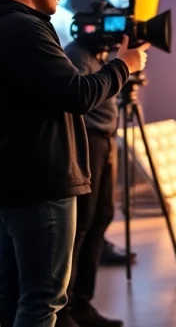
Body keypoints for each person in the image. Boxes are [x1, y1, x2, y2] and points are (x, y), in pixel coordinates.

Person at [0, 0, 148, 327]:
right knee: (44, 299)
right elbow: (78, 94)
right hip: (39, 186)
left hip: (3, 182)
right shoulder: (23, 29)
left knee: (11, 290)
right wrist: (124, 65)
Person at [57, 33, 127, 327]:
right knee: (82, 223)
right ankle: (67, 306)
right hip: (88, 142)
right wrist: (121, 66)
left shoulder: (96, 56)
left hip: (105, 141)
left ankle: (83, 303)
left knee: (101, 216)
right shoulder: (75, 54)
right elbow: (81, 99)